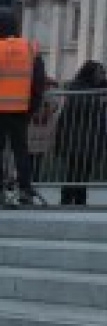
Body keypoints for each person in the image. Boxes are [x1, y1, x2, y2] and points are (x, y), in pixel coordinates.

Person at [0, 10, 46, 206]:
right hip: (21, 108)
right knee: (21, 150)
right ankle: (25, 190)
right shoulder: (30, 48)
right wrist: (33, 106)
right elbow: (38, 82)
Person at [57, 60, 107, 206]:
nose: (102, 76)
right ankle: (67, 199)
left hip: (89, 138)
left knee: (84, 171)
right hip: (76, 137)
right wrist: (100, 100)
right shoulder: (77, 86)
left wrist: (105, 87)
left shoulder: (97, 88)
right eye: (100, 73)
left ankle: (80, 199)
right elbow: (80, 104)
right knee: (73, 171)